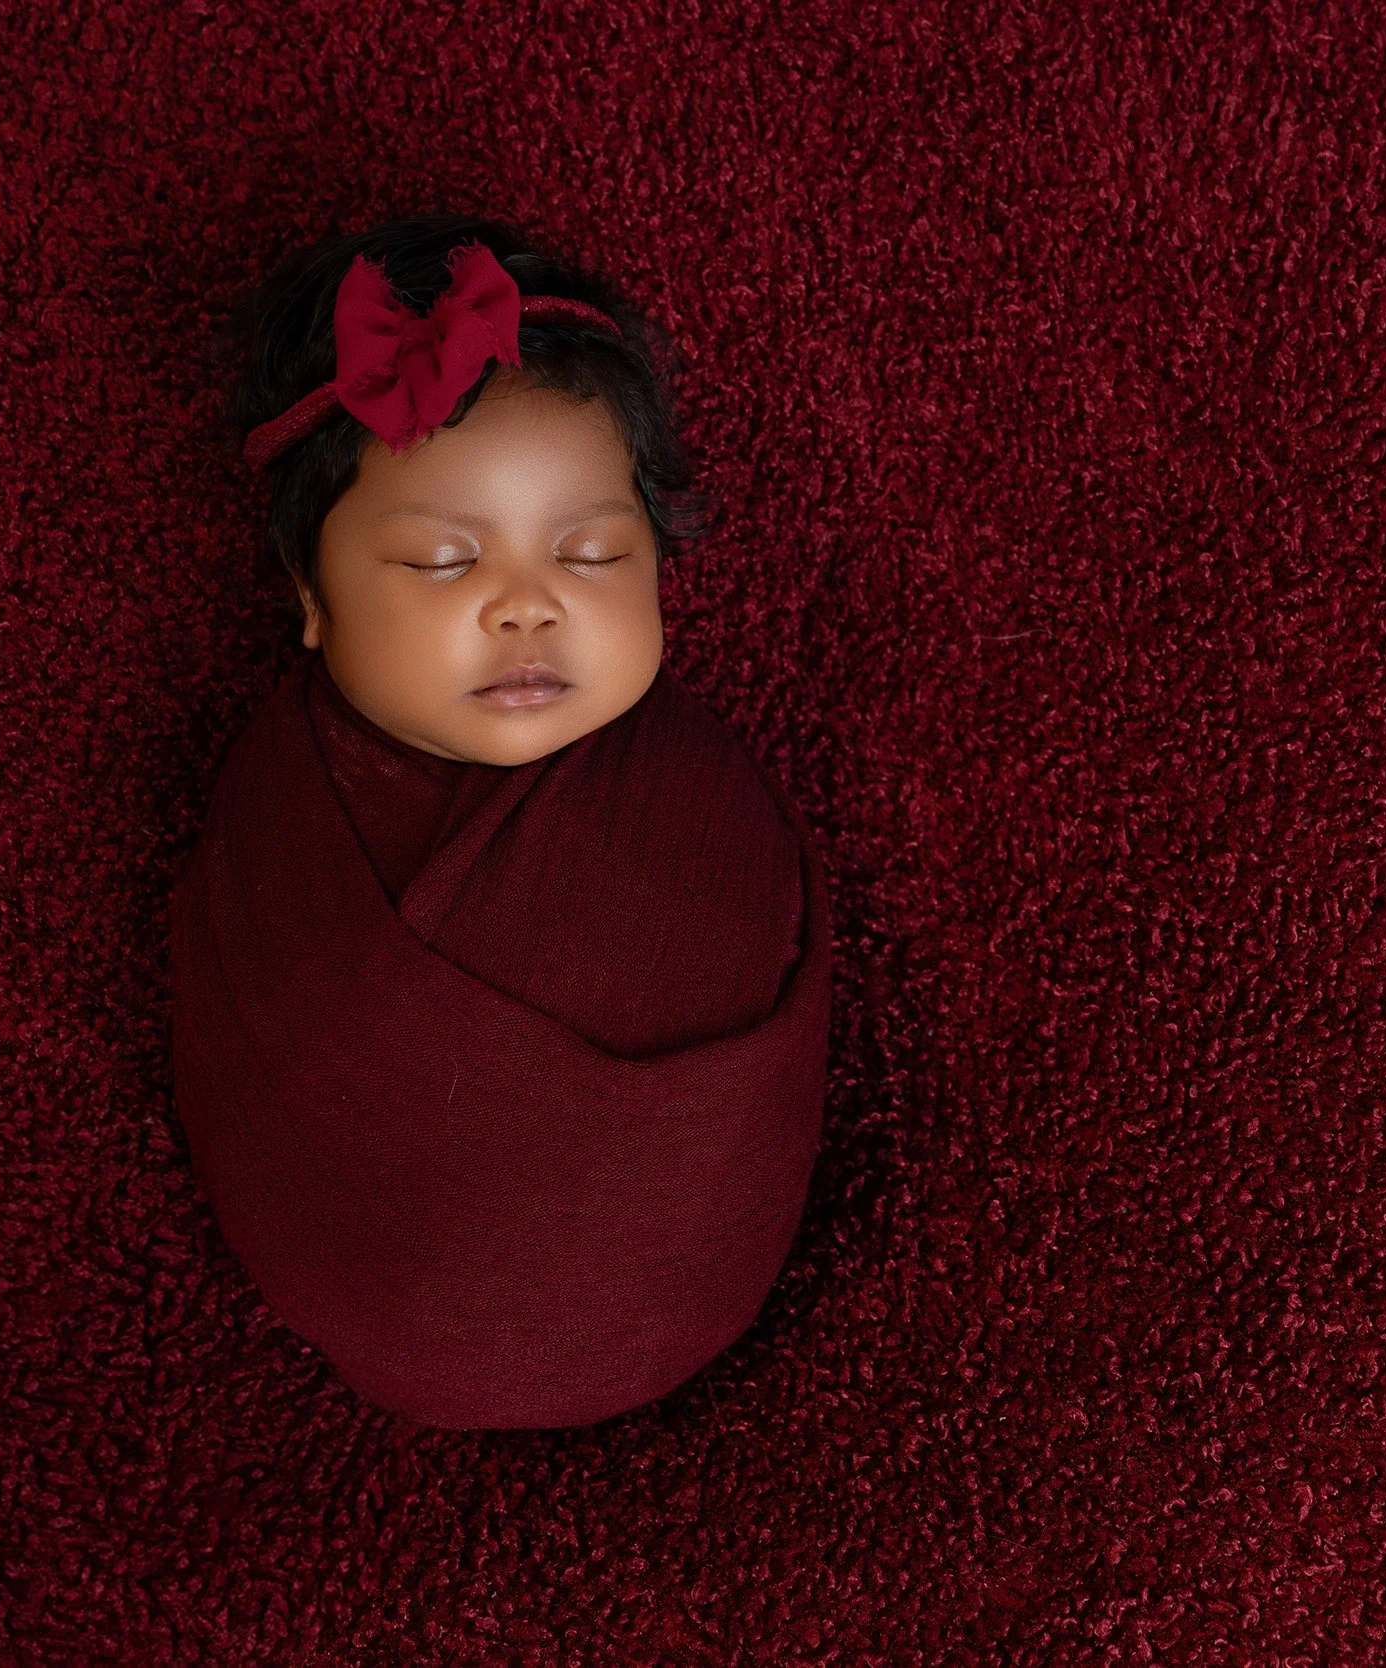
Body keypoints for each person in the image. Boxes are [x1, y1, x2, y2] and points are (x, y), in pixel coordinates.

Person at [169, 214, 835, 1429]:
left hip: (689, 1310)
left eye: (589, 554)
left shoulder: (700, 806)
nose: (525, 608)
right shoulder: (281, 827)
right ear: (309, 598)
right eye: (437, 561)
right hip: (377, 1308)